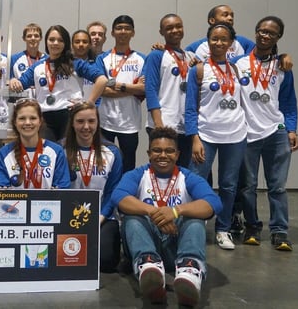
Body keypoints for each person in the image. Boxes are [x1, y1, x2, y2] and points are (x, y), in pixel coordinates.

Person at [111, 126, 222, 306]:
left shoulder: (187, 177)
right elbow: (119, 196)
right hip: (147, 242)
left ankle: (189, 271)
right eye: (157, 150)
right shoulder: (138, 175)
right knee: (132, 218)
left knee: (195, 219)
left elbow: (213, 203)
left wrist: (176, 211)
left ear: (177, 154)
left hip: (176, 245)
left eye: (169, 151)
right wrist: (156, 213)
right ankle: (148, 267)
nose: (163, 155)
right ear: (149, 153)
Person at [233, 16, 298, 251]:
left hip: (276, 132)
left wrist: (291, 129)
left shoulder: (283, 67)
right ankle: (252, 227)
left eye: (271, 33)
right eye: (261, 31)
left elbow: (289, 102)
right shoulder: (238, 63)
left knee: (277, 186)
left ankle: (280, 231)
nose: (265, 35)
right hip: (247, 133)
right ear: (255, 32)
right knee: (248, 185)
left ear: (278, 37)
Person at [184, 22, 247, 250]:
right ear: (207, 41)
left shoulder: (238, 69)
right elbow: (190, 107)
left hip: (235, 135)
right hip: (206, 135)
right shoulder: (198, 70)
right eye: (214, 39)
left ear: (231, 44)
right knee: (197, 181)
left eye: (224, 39)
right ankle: (194, 226)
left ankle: (223, 229)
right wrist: (194, 137)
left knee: (229, 185)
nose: (218, 43)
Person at [9, 25, 108, 142]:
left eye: (60, 40)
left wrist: (89, 102)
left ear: (65, 43)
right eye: (51, 40)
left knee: (67, 154)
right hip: (45, 118)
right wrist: (13, 81)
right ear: (46, 42)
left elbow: (102, 80)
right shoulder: (38, 67)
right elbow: (20, 84)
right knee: (48, 153)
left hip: (69, 116)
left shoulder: (75, 63)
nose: (55, 43)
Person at [63, 101, 123, 272]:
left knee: (106, 261)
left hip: (102, 217)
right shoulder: (60, 149)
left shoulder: (112, 152)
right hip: (68, 217)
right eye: (80, 121)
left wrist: (99, 218)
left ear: (98, 122)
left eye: (91, 121)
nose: (86, 127)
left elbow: (113, 192)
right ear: (72, 123)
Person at [144, 14, 197, 168]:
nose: (175, 30)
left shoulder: (191, 58)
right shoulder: (156, 56)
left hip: (185, 125)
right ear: (161, 32)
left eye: (178, 26)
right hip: (164, 122)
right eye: (169, 28)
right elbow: (150, 90)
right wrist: (159, 124)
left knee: (183, 169)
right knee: (162, 167)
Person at [95, 15, 145, 172]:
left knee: (128, 165)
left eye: (127, 28)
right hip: (105, 121)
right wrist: (131, 88)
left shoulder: (142, 59)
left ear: (133, 33)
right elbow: (101, 89)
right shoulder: (102, 59)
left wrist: (117, 85)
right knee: (104, 163)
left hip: (130, 123)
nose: (123, 31)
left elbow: (143, 89)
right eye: (119, 28)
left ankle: (125, 195)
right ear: (112, 33)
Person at [0, 98, 70, 189]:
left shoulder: (56, 151)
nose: (28, 123)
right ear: (15, 122)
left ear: (40, 121)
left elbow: (63, 190)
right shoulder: (4, 153)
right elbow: (0, 192)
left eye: (33, 118)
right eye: (22, 118)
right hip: (16, 203)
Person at [10, 23, 46, 98]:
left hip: (42, 103)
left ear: (41, 38)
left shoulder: (47, 59)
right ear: (24, 38)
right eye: (29, 36)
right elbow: (8, 80)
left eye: (36, 36)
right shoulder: (14, 59)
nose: (33, 38)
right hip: (22, 103)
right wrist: (11, 80)